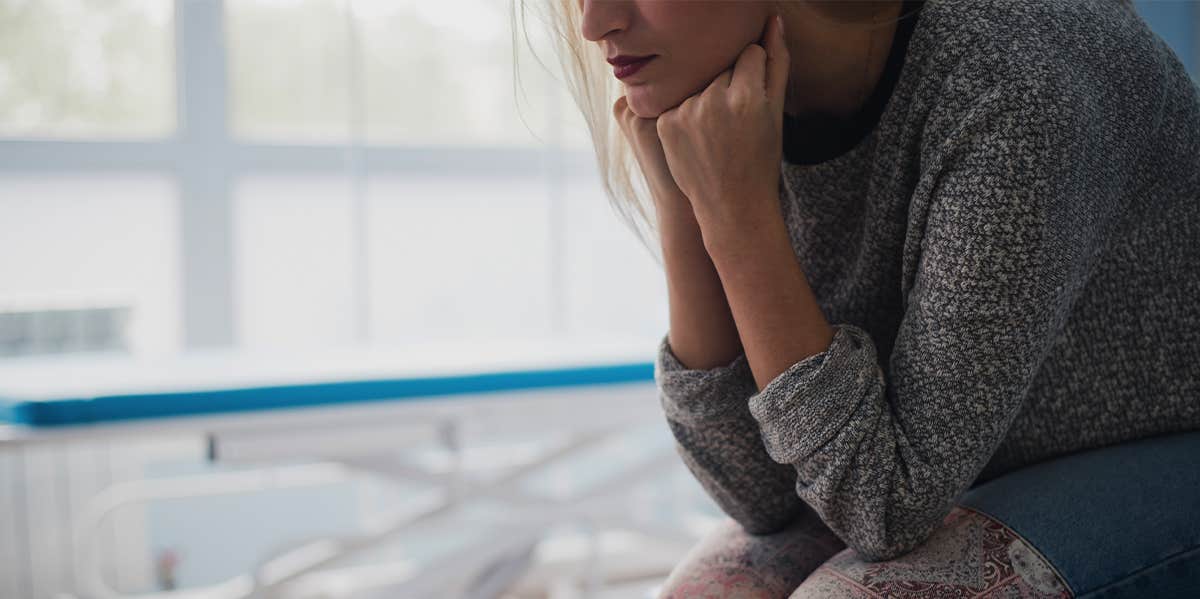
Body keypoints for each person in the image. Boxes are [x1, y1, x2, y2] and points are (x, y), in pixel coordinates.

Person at [522, 0, 1200, 596]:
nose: (594, 22)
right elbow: (757, 494)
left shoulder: (1018, 77)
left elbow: (885, 507)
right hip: (953, 473)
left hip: (1168, 455)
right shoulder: (734, 107)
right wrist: (683, 206)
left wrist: (737, 216)